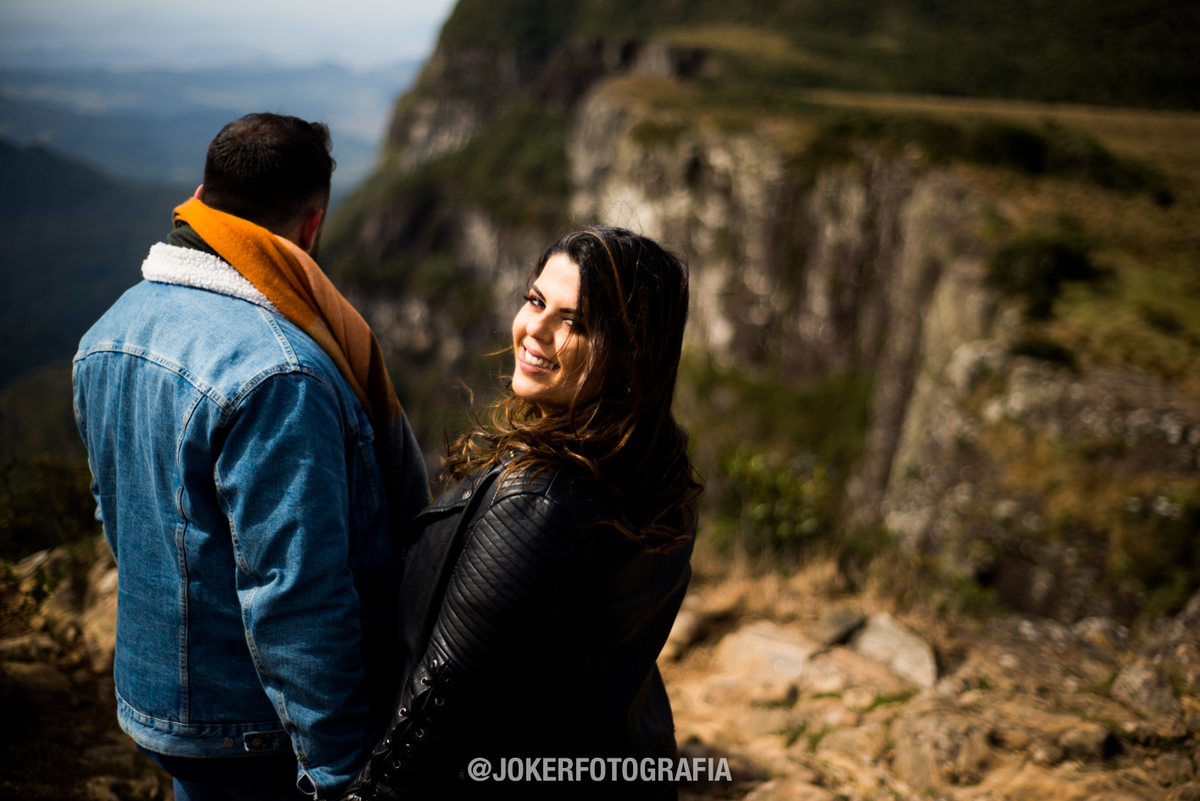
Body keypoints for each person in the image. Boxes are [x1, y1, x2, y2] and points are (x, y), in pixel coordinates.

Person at [72, 113, 430, 801]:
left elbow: (115, 511)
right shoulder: (283, 374)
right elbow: (298, 592)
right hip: (255, 728)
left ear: (201, 196)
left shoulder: (108, 332)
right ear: (311, 226)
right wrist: (339, 770)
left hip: (159, 703)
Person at [340, 226, 703, 801]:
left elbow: (441, 709)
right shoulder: (657, 470)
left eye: (576, 322)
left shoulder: (538, 506)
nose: (535, 329)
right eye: (535, 301)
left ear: (630, 349)